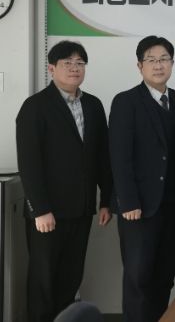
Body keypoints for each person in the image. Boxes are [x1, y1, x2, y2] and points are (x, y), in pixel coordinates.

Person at [16, 40, 112, 322]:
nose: (74, 68)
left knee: (71, 278)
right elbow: (29, 163)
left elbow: (102, 157)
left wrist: (106, 200)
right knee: (44, 281)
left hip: (81, 209)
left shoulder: (93, 105)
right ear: (51, 68)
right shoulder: (35, 106)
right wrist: (40, 209)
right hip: (48, 213)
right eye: (67, 63)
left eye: (80, 63)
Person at [108, 36, 175, 322]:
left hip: (171, 204)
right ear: (139, 65)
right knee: (138, 277)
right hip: (138, 207)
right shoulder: (126, 101)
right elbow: (119, 156)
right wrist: (128, 201)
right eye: (151, 60)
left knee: (165, 275)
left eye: (164, 59)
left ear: (172, 63)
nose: (158, 65)